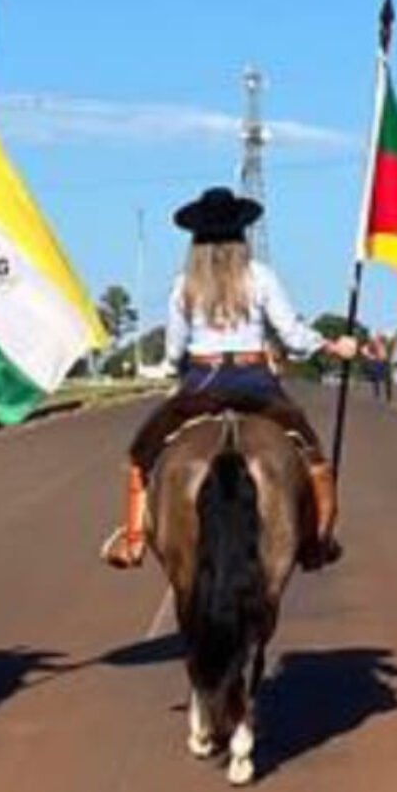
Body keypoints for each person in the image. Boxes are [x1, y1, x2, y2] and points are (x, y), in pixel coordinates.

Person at [99, 187, 358, 571]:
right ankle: (319, 538)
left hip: (202, 382)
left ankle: (133, 540)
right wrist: (332, 346)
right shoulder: (261, 276)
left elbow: (174, 352)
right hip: (256, 381)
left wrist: (176, 367)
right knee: (312, 454)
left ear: (196, 240)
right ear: (241, 236)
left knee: (141, 455)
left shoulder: (184, 284)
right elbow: (291, 336)